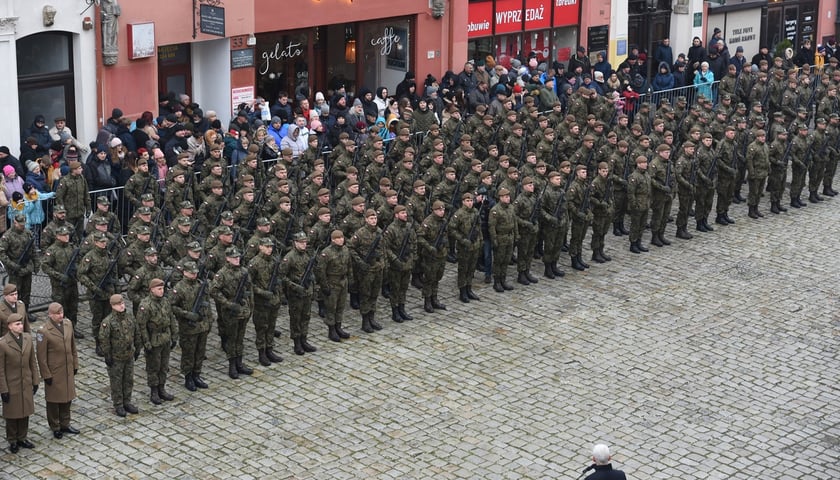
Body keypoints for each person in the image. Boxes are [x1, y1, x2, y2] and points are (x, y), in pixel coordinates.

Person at [35, 303, 80, 439]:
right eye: (57, 314)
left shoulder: (67, 324)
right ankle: (55, 426)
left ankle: (65, 423)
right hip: (54, 371)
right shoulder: (44, 331)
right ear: (50, 315)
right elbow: (41, 356)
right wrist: (46, 374)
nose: (61, 316)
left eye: (61, 313)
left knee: (67, 397)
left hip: (67, 368)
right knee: (54, 400)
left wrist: (75, 363)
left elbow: (72, 346)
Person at [210, 247, 254, 378]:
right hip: (230, 311)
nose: (237, 259)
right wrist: (227, 303)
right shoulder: (221, 274)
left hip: (243, 309)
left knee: (240, 338)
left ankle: (239, 363)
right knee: (231, 338)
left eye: (238, 257)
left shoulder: (244, 271)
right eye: (234, 257)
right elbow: (214, 291)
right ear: (227, 258)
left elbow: (249, 288)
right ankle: (232, 365)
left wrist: (250, 306)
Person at [0, 313, 39, 453]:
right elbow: (1, 369)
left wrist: (35, 380)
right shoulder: (3, 344)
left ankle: (22, 437)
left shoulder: (27, 339)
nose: (20, 326)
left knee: (25, 411)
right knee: (12, 414)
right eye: (17, 324)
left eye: (21, 323)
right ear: (10, 327)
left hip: (26, 382)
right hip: (12, 384)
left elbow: (32, 362)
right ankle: (12, 440)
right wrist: (3, 389)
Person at [98, 294, 141, 417]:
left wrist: (138, 347)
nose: (121, 306)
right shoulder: (108, 322)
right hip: (116, 357)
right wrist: (107, 355)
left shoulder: (130, 317)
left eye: (122, 303)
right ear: (112, 306)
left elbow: (136, 332)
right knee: (116, 382)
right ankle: (118, 404)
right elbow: (104, 339)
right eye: (118, 304)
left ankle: (127, 401)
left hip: (129, 355)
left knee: (128, 380)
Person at [137, 278, 178, 405]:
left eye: (163, 289)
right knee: (153, 366)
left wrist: (174, 335)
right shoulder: (145, 305)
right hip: (154, 340)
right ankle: (154, 391)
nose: (162, 291)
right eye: (159, 289)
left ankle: (162, 388)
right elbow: (141, 326)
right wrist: (146, 343)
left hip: (165, 337)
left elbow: (171, 318)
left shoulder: (165, 301)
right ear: (152, 290)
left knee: (164, 365)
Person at [0, 214, 38, 307]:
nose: (22, 226)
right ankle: (15, 312)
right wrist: (12, 265)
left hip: (27, 267)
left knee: (27, 292)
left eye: (23, 224)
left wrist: (36, 264)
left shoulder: (27, 233)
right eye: (20, 224)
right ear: (15, 222)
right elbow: (1, 253)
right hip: (15, 269)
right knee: (15, 293)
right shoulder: (7, 236)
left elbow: (33, 250)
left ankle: (26, 312)